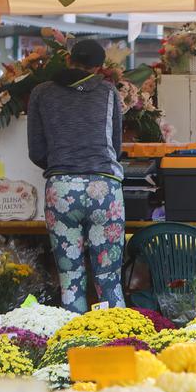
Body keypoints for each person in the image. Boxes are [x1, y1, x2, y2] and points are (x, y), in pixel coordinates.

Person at [28, 37, 125, 312]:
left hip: (61, 188)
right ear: (99, 68)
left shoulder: (41, 93)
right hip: (104, 188)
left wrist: (63, 164)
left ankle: (73, 348)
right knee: (109, 281)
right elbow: (114, 146)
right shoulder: (108, 92)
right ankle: (115, 341)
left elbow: (36, 149)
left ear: (68, 59)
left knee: (70, 281)